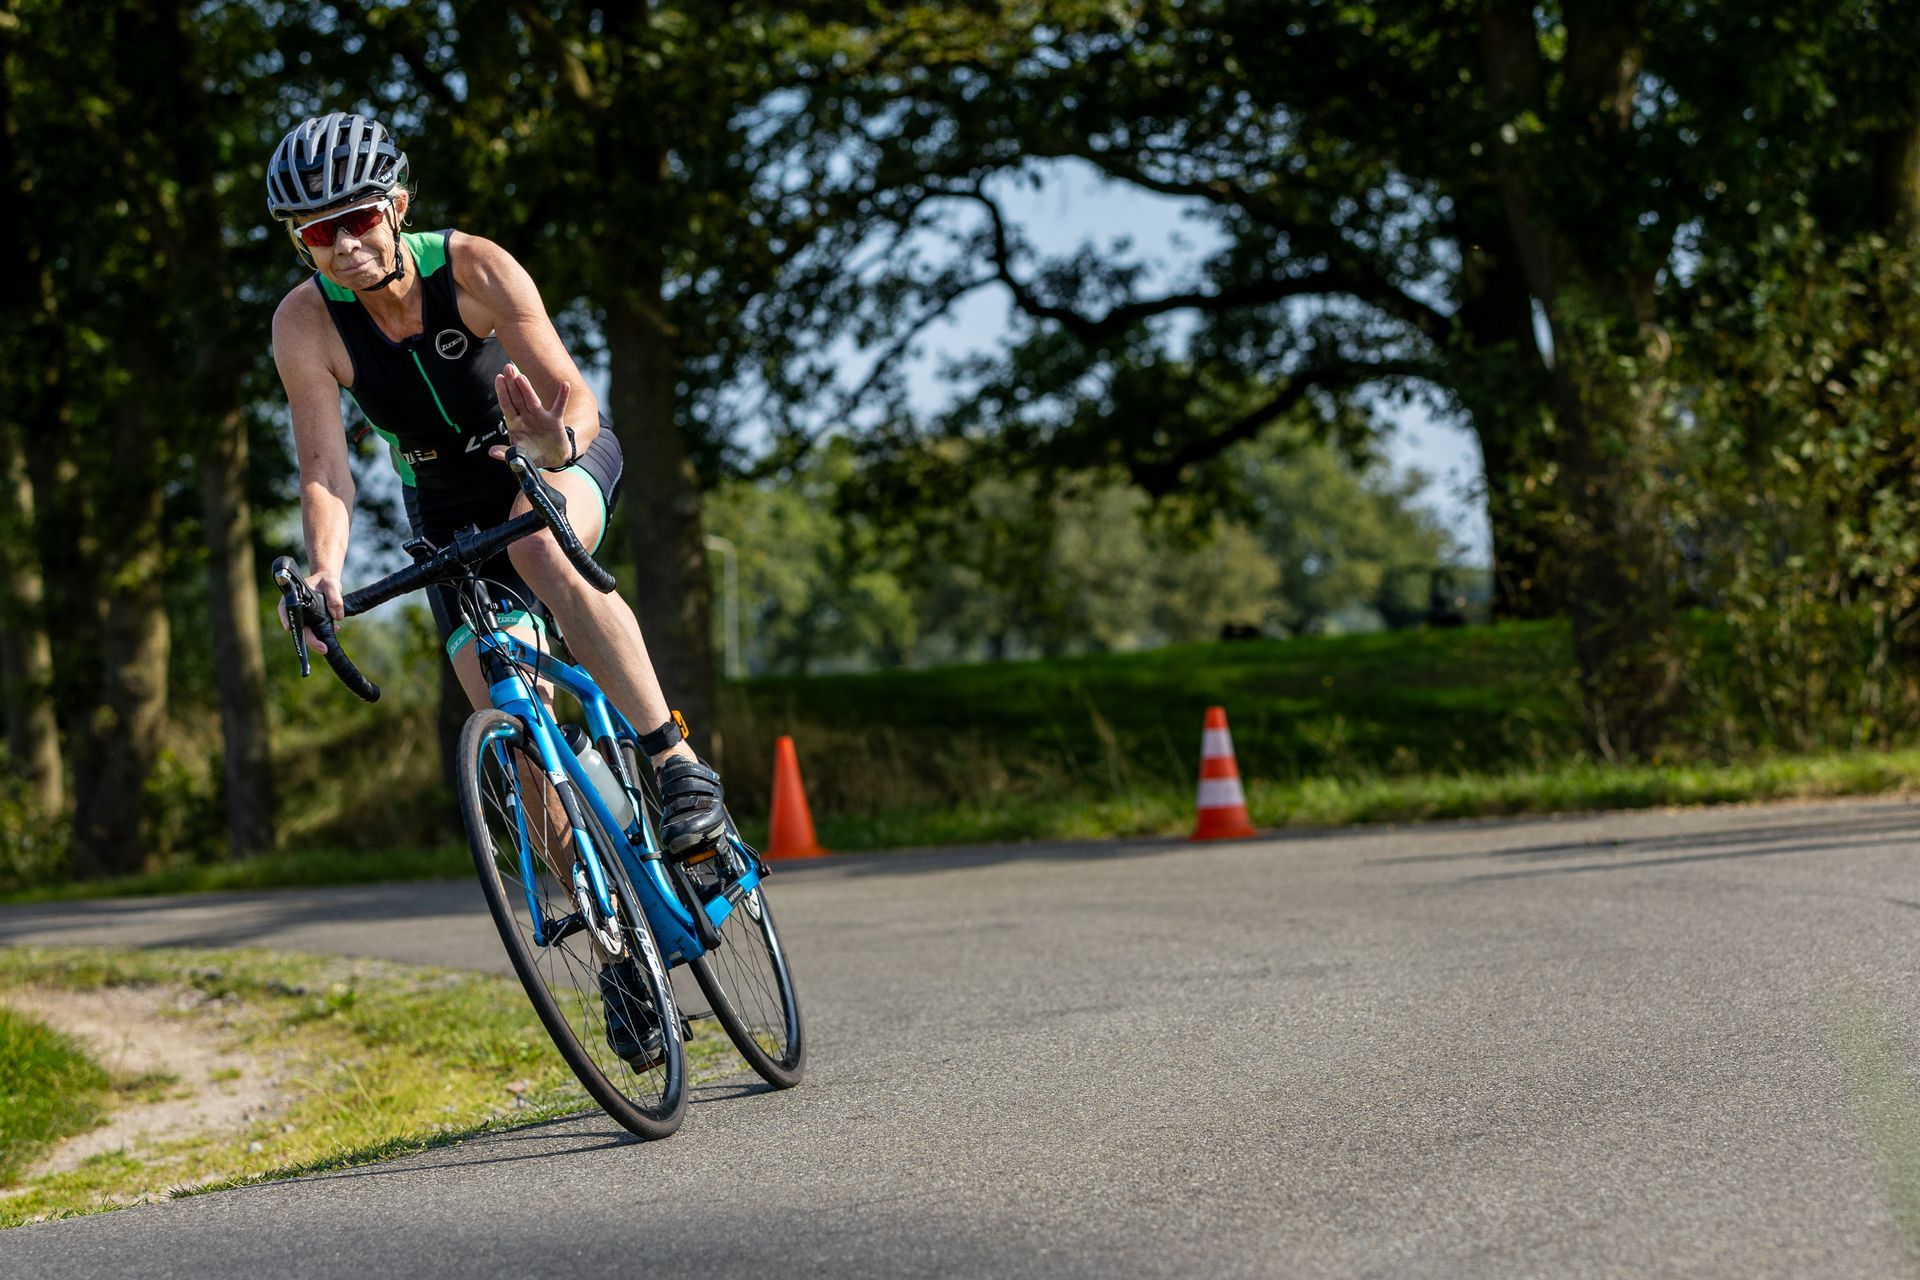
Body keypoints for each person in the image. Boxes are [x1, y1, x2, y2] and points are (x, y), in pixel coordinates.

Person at [266, 112, 714, 1066]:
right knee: (506, 714)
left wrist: (551, 446)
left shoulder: (474, 267)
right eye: (316, 233)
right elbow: (327, 471)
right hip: (446, 506)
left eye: (355, 219)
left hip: (551, 454)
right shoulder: (305, 322)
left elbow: (572, 397)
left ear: (395, 206)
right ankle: (619, 946)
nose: (342, 247)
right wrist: (325, 573)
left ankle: (675, 764)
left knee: (546, 556)